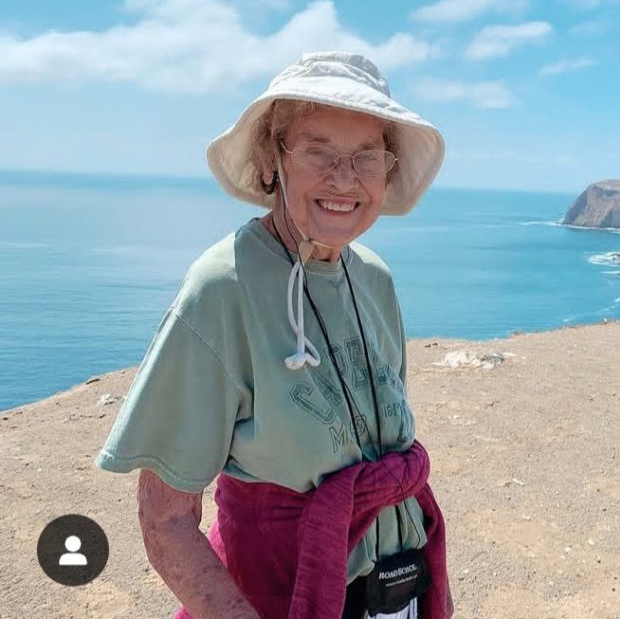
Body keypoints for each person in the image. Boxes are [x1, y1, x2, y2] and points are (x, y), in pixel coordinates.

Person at [95, 52, 453, 619]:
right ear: (273, 157)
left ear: (386, 169)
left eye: (366, 155)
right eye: (318, 150)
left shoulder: (374, 279)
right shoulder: (223, 287)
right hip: (276, 598)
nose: (344, 177)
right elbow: (165, 519)